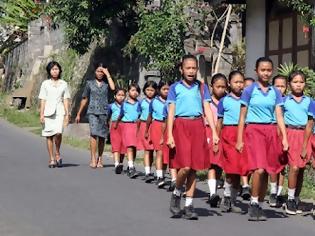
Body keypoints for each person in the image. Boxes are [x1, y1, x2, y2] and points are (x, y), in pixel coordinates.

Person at [236, 57, 289, 221]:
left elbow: (279, 115)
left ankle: (259, 203)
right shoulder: (249, 90)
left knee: (267, 170)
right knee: (258, 169)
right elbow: (242, 115)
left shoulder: (275, 92)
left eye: (268, 70)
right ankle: (253, 203)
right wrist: (239, 139)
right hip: (254, 131)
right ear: (256, 71)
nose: (266, 73)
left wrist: (284, 137)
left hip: (271, 132)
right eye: (262, 70)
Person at [168, 55, 219, 220]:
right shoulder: (175, 88)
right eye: (187, 68)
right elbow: (171, 112)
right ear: (181, 69)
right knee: (185, 167)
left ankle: (189, 205)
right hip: (180, 126)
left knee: (194, 168)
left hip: (197, 126)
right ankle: (177, 192)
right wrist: (169, 134)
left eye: (194, 68)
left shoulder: (202, 87)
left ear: (197, 69)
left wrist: (215, 132)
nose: (191, 71)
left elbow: (208, 110)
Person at [217, 70, 248, 213]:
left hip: (244, 134)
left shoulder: (247, 100)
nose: (239, 85)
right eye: (236, 82)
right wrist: (216, 139)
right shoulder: (224, 101)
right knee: (230, 169)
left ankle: (234, 200)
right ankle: (227, 197)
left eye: (241, 82)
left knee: (240, 169)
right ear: (229, 84)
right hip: (229, 135)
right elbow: (220, 121)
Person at [282, 71, 312, 215]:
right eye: (295, 81)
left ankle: (297, 198)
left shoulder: (310, 101)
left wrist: (305, 145)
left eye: (301, 82)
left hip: (304, 135)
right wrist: (282, 138)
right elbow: (279, 120)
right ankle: (290, 199)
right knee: (293, 167)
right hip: (289, 134)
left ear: (305, 84)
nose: (298, 84)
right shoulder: (284, 101)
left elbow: (310, 123)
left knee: (301, 169)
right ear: (289, 84)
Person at [75, 62, 115, 168]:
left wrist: (108, 74)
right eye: (98, 71)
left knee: (102, 137)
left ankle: (100, 158)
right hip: (92, 112)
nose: (100, 73)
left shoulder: (106, 84)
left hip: (104, 112)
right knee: (93, 134)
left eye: (102, 71)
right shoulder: (89, 83)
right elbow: (84, 99)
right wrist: (79, 113)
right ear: (94, 72)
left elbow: (113, 88)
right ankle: (92, 157)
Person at [39, 61, 70, 168]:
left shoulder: (64, 84)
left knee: (58, 133)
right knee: (49, 136)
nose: (55, 71)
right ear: (49, 71)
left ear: (59, 70)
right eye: (52, 69)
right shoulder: (45, 84)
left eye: (56, 69)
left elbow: (66, 99)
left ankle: (57, 152)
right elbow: (43, 99)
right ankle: (52, 158)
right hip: (48, 112)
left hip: (60, 111)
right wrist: (41, 114)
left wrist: (67, 113)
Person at [145, 80, 171, 188]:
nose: (166, 91)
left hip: (169, 126)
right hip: (157, 126)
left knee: (167, 152)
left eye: (168, 89)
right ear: (159, 90)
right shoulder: (154, 102)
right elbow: (149, 117)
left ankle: (163, 175)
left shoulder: (172, 102)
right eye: (164, 89)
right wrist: (146, 130)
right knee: (159, 151)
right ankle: (159, 176)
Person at [207, 73, 227, 207]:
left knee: (220, 163)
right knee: (211, 163)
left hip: (225, 132)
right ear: (212, 86)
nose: (220, 89)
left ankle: (217, 183)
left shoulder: (228, 100)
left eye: (223, 87)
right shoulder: (206, 102)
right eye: (217, 86)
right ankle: (212, 193)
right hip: (209, 131)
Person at [269, 75, 288, 207]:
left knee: (283, 165)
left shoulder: (288, 100)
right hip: (273, 133)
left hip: (286, 134)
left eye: (282, 86)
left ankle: (280, 193)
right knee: (273, 164)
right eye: (277, 86)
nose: (280, 89)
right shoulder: (270, 99)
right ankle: (273, 191)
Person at [116, 83, 141, 178]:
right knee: (129, 147)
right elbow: (121, 115)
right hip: (127, 125)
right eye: (133, 90)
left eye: (137, 91)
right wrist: (117, 123)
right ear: (128, 92)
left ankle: (131, 164)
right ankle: (131, 167)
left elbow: (140, 115)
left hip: (136, 126)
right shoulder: (124, 104)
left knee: (134, 147)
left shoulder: (139, 104)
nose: (135, 93)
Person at [138, 81, 156, 182]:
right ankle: (147, 172)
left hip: (155, 125)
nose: (150, 92)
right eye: (148, 90)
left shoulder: (157, 101)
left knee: (153, 149)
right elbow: (139, 115)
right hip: (144, 125)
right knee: (147, 149)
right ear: (144, 90)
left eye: (152, 90)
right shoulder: (141, 102)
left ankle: (150, 169)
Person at [108, 88, 127, 174]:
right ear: (115, 96)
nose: (121, 97)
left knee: (123, 146)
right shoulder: (111, 106)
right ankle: (116, 164)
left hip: (125, 126)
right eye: (119, 95)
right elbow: (108, 116)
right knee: (116, 145)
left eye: (123, 95)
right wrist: (107, 124)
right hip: (115, 126)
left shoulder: (127, 105)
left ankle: (120, 163)